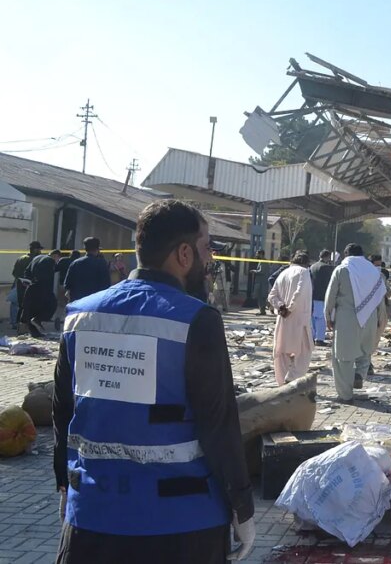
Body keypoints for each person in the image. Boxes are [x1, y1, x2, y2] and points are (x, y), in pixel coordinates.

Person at [52, 200, 254, 563]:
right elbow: (219, 423)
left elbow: (62, 410)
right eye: (207, 247)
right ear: (183, 253)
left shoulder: (78, 316)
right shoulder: (197, 320)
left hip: (92, 518)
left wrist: (64, 483)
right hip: (182, 523)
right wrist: (242, 507)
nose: (210, 261)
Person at [325, 244, 387, 401]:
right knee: (365, 351)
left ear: (346, 254)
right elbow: (380, 297)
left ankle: (345, 395)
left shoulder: (342, 269)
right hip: (370, 318)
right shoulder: (374, 271)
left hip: (347, 319)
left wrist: (328, 317)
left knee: (343, 358)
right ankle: (360, 373)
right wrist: (380, 319)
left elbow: (330, 296)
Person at [267, 251, 314, 386]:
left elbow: (272, 295)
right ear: (306, 263)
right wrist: (289, 308)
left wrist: (281, 306)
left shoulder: (283, 273)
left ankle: (282, 383)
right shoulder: (304, 272)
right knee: (304, 352)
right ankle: (292, 377)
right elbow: (298, 293)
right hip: (299, 318)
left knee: (281, 352)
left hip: (283, 318)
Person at [23, 249, 61, 338]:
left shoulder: (37, 258)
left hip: (31, 287)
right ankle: (38, 319)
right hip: (42, 287)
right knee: (52, 304)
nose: (57, 262)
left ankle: (35, 333)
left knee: (31, 310)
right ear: (56, 256)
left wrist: (27, 281)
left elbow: (27, 271)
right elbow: (47, 277)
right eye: (58, 259)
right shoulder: (50, 261)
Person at [63, 238, 110, 303]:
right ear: (97, 249)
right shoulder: (101, 263)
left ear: (84, 248)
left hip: (77, 302)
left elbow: (67, 285)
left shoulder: (75, 263)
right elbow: (106, 284)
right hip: (94, 302)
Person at [13, 240, 42, 328]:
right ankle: (28, 324)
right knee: (31, 305)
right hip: (31, 286)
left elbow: (14, 273)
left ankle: (17, 323)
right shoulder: (36, 260)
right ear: (35, 250)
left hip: (20, 285)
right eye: (39, 249)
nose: (40, 251)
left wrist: (21, 280)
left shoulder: (21, 258)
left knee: (21, 305)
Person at [309, 250, 335, 347]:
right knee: (321, 319)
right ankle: (319, 339)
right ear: (328, 257)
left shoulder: (312, 266)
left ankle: (312, 337)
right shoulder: (326, 267)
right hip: (322, 296)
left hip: (312, 295)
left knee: (313, 319)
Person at [249, 249, 268, 315]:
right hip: (259, 282)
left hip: (262, 283)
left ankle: (263, 310)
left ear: (261, 254)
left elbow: (261, 271)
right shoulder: (261, 261)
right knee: (259, 296)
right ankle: (261, 310)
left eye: (257, 253)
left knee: (262, 296)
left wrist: (254, 271)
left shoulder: (264, 262)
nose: (256, 255)